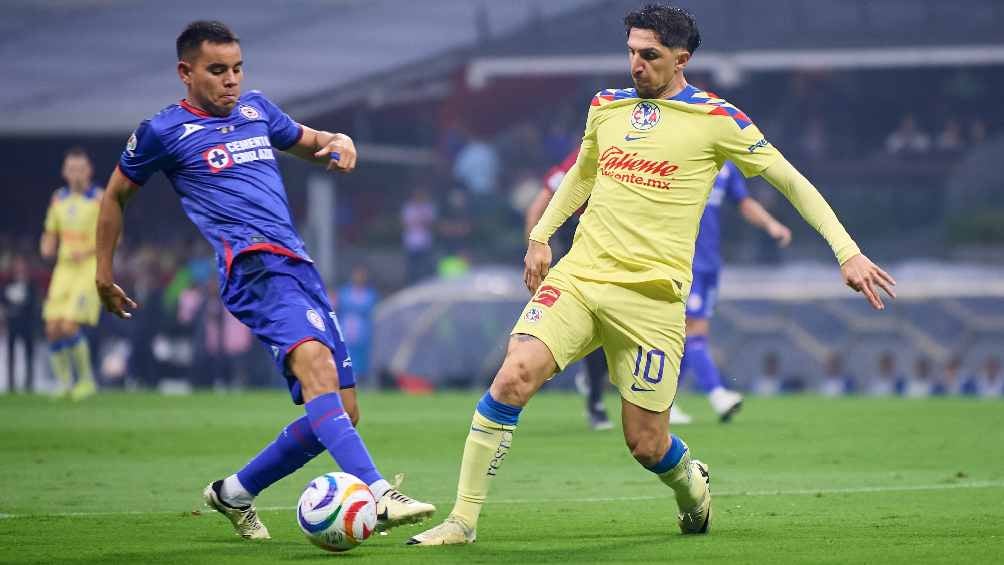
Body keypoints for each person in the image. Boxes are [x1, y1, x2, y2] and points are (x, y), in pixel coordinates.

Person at [409, 4, 894, 546]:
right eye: (632, 53)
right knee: (513, 374)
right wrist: (541, 236)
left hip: (653, 301)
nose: (636, 65)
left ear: (681, 59)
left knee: (645, 443)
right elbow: (580, 174)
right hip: (581, 278)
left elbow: (792, 182)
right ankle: (462, 520)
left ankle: (691, 485)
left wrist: (846, 251)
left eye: (650, 55)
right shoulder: (606, 107)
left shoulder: (718, 119)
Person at [94, 21, 434, 541]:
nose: (230, 80)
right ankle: (377, 492)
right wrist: (103, 273)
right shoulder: (164, 131)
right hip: (252, 267)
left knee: (343, 411)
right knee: (317, 369)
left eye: (236, 68)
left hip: (298, 264)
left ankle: (234, 491)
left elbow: (313, 140)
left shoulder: (257, 109)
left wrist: (342, 142)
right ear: (186, 73)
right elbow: (116, 194)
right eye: (216, 71)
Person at [680, 160, 792, 421]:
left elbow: (743, 202)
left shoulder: (725, 167)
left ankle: (665, 404)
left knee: (688, 333)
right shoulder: (684, 156)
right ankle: (718, 395)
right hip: (685, 261)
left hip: (710, 263)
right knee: (693, 330)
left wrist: (770, 224)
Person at [40, 147, 103, 400]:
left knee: (68, 325)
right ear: (64, 172)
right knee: (52, 327)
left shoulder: (99, 199)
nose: (76, 173)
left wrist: (87, 251)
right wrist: (46, 244)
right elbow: (50, 231)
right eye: (71, 169)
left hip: (88, 268)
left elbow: (113, 237)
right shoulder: (58, 199)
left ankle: (87, 381)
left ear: (89, 171)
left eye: (80, 168)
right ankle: (65, 383)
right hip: (63, 269)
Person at [2, 255, 41, 393]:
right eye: (17, 265)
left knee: (29, 354)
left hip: (27, 324)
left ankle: (28, 384)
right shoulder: (7, 284)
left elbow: (35, 304)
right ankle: (11, 385)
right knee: (11, 354)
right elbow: (3, 303)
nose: (19, 268)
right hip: (12, 324)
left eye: (21, 265)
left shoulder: (31, 284)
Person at [336, 266, 378, 383]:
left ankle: (361, 381)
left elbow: (370, 309)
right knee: (346, 356)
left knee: (361, 358)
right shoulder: (344, 292)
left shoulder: (370, 293)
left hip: (362, 331)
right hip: (347, 329)